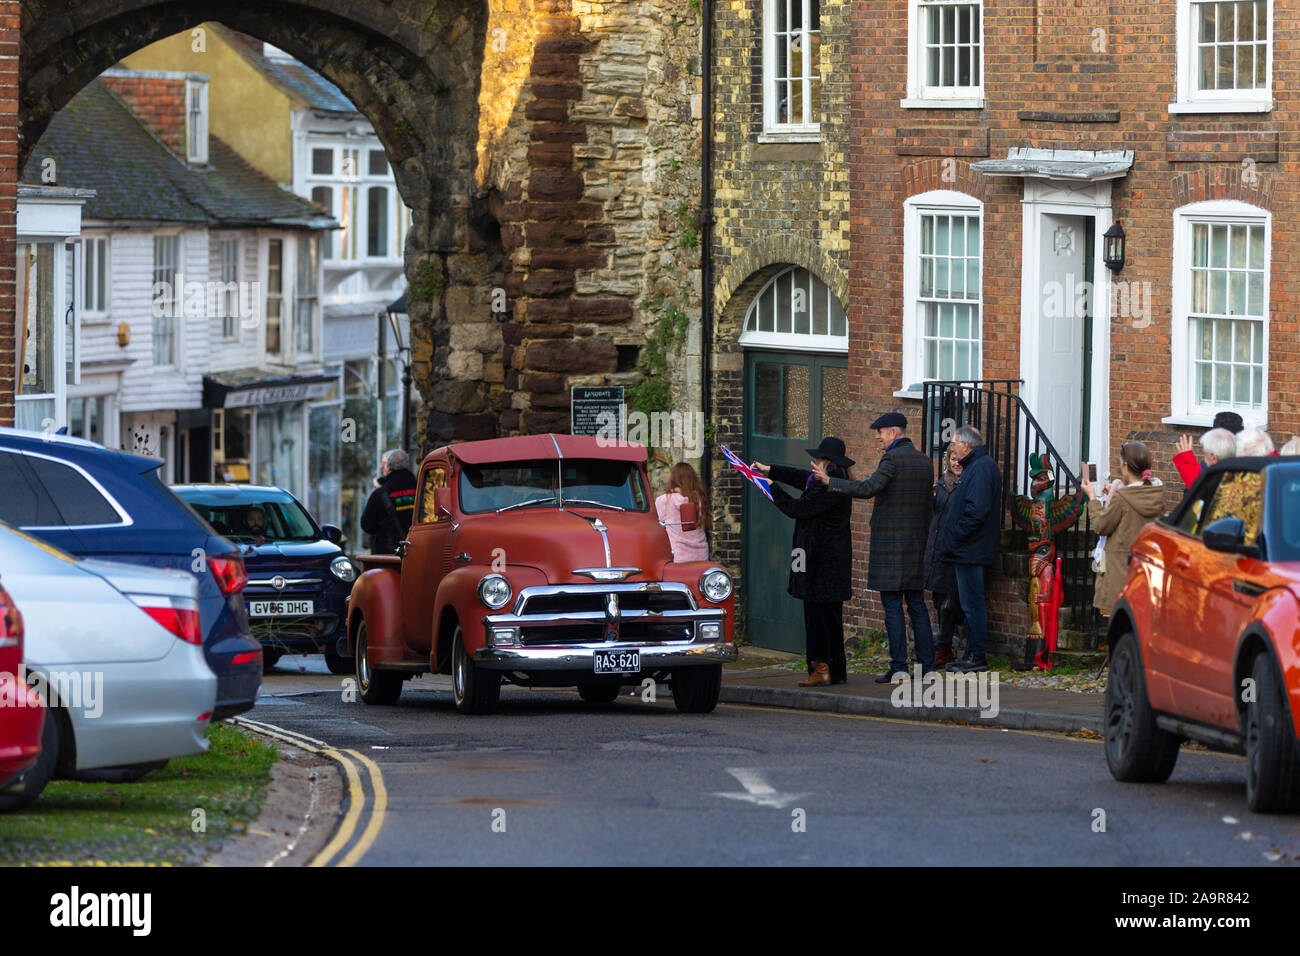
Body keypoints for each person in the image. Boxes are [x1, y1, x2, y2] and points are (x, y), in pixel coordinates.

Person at [811, 413, 935, 682]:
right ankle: (927, 667)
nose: (877, 438)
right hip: (916, 543)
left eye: (879, 433)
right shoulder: (925, 461)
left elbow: (869, 488)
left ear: (892, 432)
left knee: (892, 605)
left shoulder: (892, 459)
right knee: (916, 604)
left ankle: (899, 667)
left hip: (891, 545)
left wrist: (831, 481)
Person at [751, 438, 854, 686]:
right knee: (830, 617)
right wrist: (770, 470)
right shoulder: (834, 481)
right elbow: (802, 479)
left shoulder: (829, 488)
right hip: (830, 563)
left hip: (820, 563)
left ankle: (820, 668)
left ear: (827, 462)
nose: (814, 462)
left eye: (818, 458)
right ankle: (835, 670)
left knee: (816, 616)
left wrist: (769, 486)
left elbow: (796, 508)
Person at [937, 425, 1002, 673]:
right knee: (969, 603)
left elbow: (976, 511)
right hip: (969, 549)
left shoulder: (981, 468)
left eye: (955, 443)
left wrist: (955, 536)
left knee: (972, 604)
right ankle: (973, 654)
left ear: (966, 445)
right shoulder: (978, 466)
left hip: (970, 550)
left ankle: (976, 656)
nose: (952, 447)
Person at [1082, 441, 1166, 618]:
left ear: (1126, 465)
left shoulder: (1123, 497)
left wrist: (1092, 498)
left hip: (1120, 572)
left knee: (1119, 629)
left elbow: (1101, 526)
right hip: (1145, 571)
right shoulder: (1157, 493)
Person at [924, 442, 965, 669]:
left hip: (954, 550)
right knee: (939, 598)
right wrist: (929, 498)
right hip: (936, 548)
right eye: (952, 459)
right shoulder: (940, 484)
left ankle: (945, 646)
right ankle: (943, 648)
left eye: (959, 459)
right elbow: (934, 514)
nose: (956, 463)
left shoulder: (966, 485)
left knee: (950, 601)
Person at [360, 448, 418, 555]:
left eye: (383, 463)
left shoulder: (379, 494)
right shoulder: (421, 488)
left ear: (388, 467)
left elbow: (367, 526)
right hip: (418, 552)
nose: (382, 467)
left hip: (388, 556)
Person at [656, 462, 710, 562]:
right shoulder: (699, 499)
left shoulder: (664, 500)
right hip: (701, 554)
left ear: (673, 478)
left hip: (678, 555)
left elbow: (658, 524)